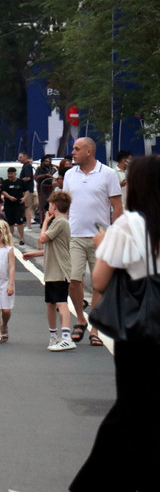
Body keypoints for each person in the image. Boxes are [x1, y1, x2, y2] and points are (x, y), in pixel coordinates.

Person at [70, 155, 160, 491]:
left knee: (134, 406)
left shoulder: (131, 225)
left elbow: (101, 280)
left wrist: (102, 245)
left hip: (141, 329)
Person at [62, 137, 122, 347]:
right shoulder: (69, 175)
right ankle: (80, 318)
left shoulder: (108, 174)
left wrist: (114, 233)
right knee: (73, 280)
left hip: (100, 237)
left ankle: (94, 328)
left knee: (100, 284)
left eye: (77, 149)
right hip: (75, 235)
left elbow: (117, 206)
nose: (73, 152)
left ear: (89, 151)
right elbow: (65, 205)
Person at [23, 191, 76, 351]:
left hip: (59, 269)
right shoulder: (60, 222)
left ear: (54, 206)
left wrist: (45, 221)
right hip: (53, 269)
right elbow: (53, 248)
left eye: (51, 204)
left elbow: (43, 238)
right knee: (50, 303)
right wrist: (34, 254)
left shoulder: (60, 222)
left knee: (61, 302)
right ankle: (54, 335)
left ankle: (66, 337)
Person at [0, 166, 28, 245]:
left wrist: (24, 198)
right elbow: (3, 191)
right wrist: (9, 197)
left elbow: (26, 191)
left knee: (20, 222)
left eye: (11, 174)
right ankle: (10, 238)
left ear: (15, 174)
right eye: (8, 174)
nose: (10, 176)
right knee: (10, 222)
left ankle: (21, 238)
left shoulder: (21, 182)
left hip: (19, 205)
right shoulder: (5, 182)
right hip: (9, 204)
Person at [34, 155, 56, 222]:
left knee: (50, 205)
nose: (48, 162)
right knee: (42, 205)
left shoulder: (52, 168)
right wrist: (45, 175)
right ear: (42, 162)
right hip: (42, 189)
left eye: (49, 161)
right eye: (46, 161)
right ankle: (42, 220)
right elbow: (36, 177)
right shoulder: (39, 169)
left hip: (51, 189)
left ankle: (50, 220)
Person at [18, 152, 36, 227]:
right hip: (25, 190)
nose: (19, 159)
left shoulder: (27, 166)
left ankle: (28, 225)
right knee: (26, 207)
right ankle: (28, 224)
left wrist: (20, 180)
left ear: (25, 157)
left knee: (27, 207)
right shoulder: (25, 166)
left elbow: (28, 177)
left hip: (27, 190)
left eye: (21, 157)